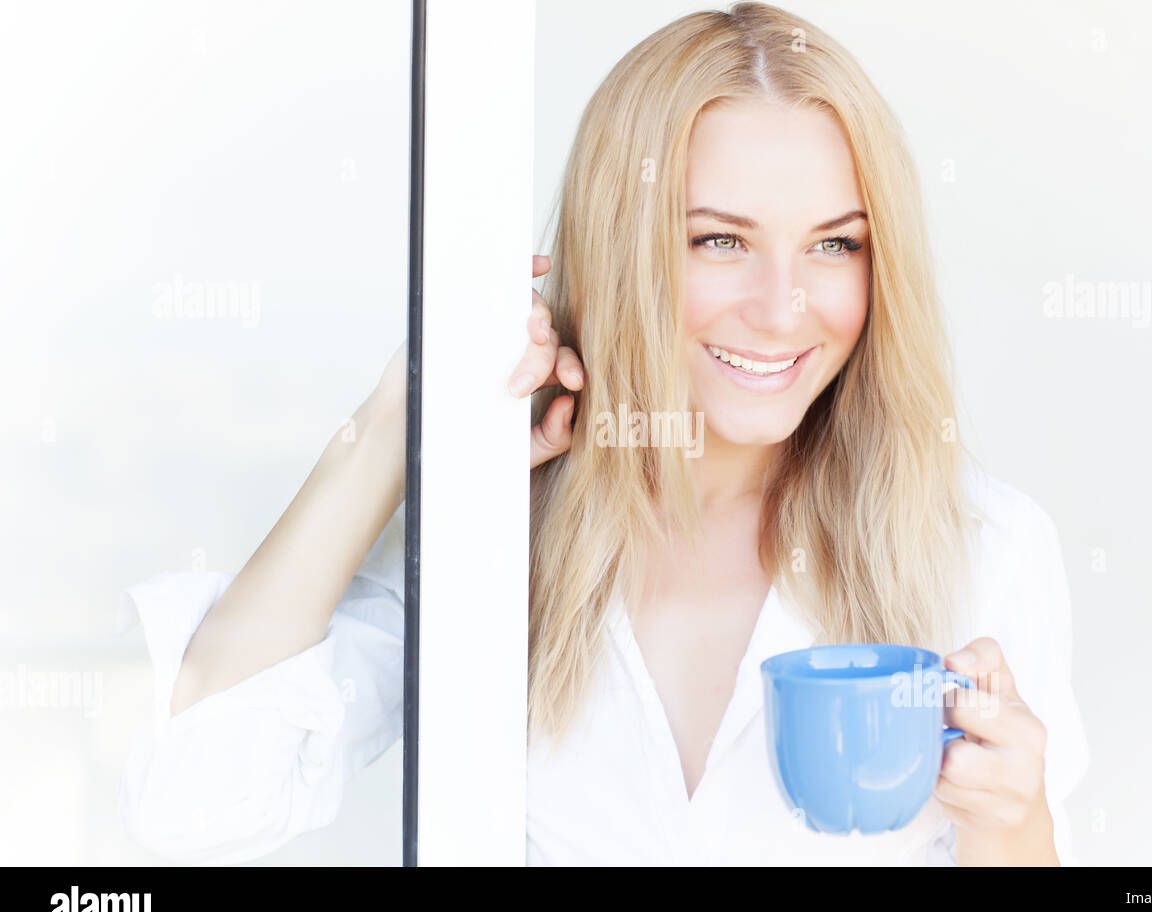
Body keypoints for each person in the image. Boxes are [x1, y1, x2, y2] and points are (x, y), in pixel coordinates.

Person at [119, 1, 1089, 866]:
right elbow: (194, 799)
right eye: (719, 240)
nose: (783, 307)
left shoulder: (983, 547)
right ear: (622, 248)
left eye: (834, 244)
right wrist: (392, 429)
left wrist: (1012, 825)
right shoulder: (506, 531)